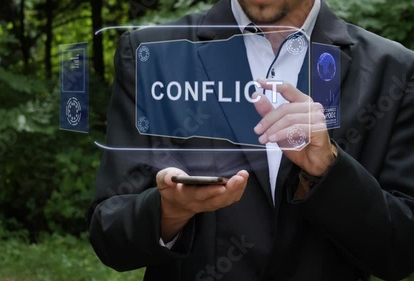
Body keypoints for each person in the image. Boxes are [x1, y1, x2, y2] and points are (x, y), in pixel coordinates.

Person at [88, 0, 414, 280]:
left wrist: (329, 169)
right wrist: (168, 212)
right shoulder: (152, 56)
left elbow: (400, 252)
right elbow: (110, 233)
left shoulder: (393, 70)